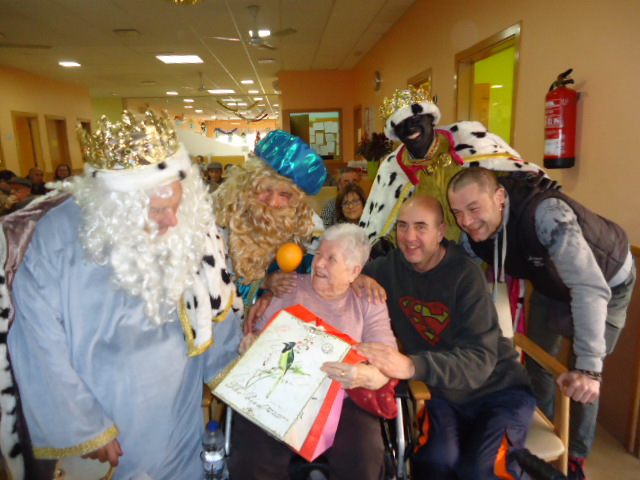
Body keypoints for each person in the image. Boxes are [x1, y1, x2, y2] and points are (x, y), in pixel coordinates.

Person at [4, 110, 242, 480]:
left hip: (179, 408)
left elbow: (214, 304)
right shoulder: (54, 236)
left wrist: (242, 371)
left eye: (176, 206)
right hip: (106, 408)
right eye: (159, 210)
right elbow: (38, 342)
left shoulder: (187, 221)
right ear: (118, 207)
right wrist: (83, 425)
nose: (173, 220)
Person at [447, 166, 636, 480]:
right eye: (457, 213)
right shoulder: (473, 232)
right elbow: (458, 271)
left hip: (605, 280)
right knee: (537, 362)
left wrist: (590, 368)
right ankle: (541, 437)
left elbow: (588, 287)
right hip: (550, 280)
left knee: (583, 376)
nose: (465, 221)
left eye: (473, 208)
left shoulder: (548, 215)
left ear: (499, 197)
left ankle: (575, 458)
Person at [356, 194, 536, 479]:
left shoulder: (465, 275)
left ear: (440, 231)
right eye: (402, 226)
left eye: (421, 227)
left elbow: (479, 360)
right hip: (444, 395)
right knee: (435, 462)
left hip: (498, 390)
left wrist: (413, 366)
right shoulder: (390, 268)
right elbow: (340, 272)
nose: (409, 237)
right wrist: (358, 278)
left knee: (481, 469)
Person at [229, 223, 398, 480]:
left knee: (363, 455)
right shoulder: (289, 287)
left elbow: (387, 362)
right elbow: (259, 338)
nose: (318, 264)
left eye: (331, 259)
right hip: (280, 392)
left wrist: (363, 375)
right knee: (253, 457)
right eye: (318, 254)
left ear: (354, 271)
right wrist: (251, 343)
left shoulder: (368, 301)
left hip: (341, 398)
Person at [359, 85, 545, 249]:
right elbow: (389, 218)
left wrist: (524, 178)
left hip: (477, 245)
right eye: (401, 125)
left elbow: (498, 171)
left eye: (415, 120)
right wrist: (386, 241)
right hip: (429, 257)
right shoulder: (394, 167)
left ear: (430, 118)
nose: (409, 129)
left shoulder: (465, 140)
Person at [213, 130, 326, 309]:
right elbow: (208, 286)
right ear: (247, 184)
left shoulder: (307, 222)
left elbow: (327, 266)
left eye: (284, 195)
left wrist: (356, 277)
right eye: (265, 189)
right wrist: (263, 283)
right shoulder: (220, 216)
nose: (273, 202)